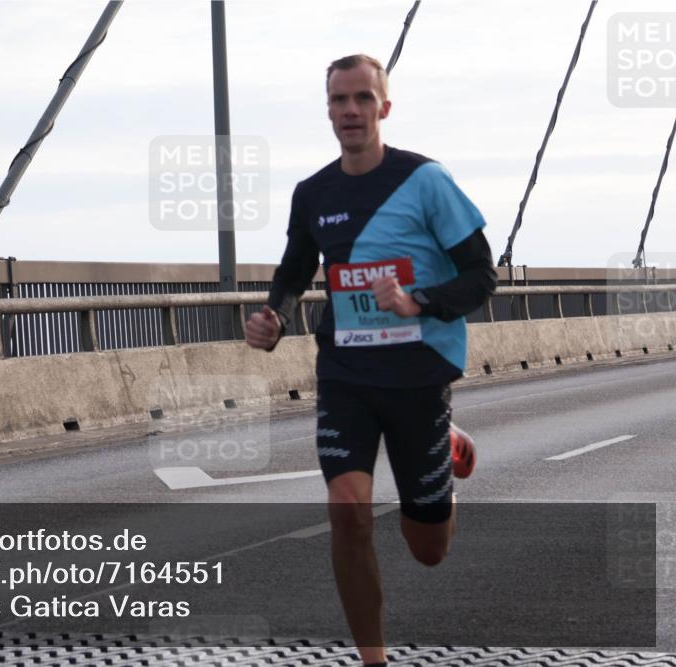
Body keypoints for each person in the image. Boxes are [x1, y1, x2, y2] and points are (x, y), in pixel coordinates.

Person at [245, 54, 497, 667]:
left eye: (363, 99)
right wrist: (274, 317)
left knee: (428, 548)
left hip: (418, 377)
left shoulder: (426, 181)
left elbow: (482, 274)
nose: (350, 111)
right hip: (347, 375)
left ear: (384, 107)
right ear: (328, 109)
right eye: (339, 100)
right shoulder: (314, 193)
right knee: (348, 507)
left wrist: (421, 302)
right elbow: (295, 270)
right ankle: (373, 659)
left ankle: (447, 440)